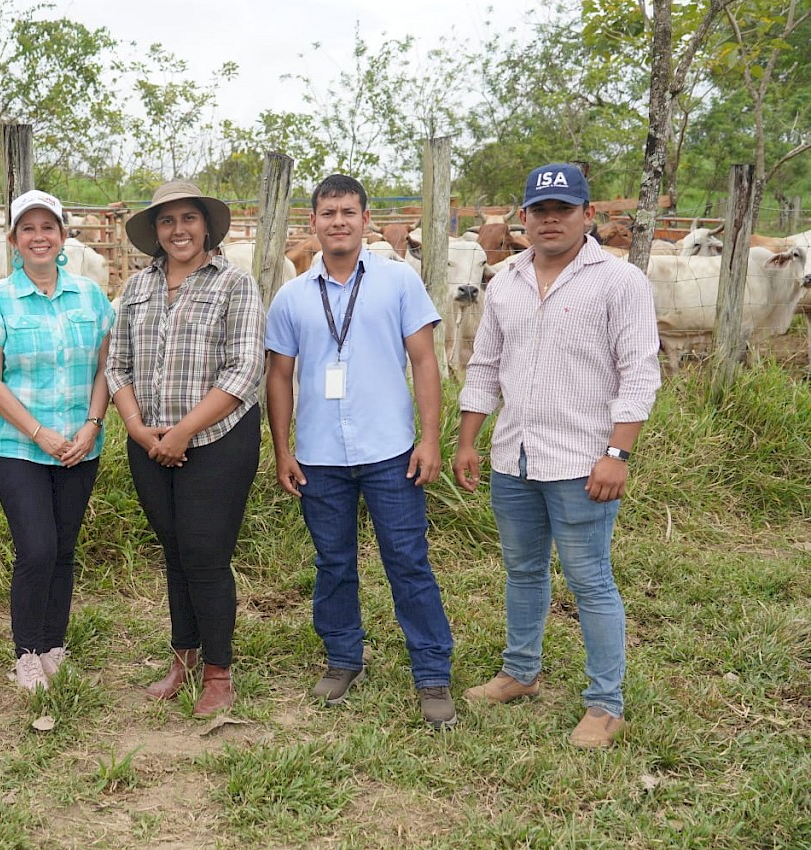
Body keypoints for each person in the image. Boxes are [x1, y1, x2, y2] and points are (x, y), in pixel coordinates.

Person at [453, 162, 660, 749]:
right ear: (524, 218)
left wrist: (618, 452)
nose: (550, 220)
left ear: (587, 216)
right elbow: (486, 363)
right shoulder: (508, 279)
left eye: (563, 210)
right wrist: (469, 439)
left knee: (590, 579)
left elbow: (639, 373)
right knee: (522, 570)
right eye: (540, 211)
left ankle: (605, 703)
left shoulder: (620, 282)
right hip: (513, 455)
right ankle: (521, 672)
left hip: (582, 461)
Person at [265, 173, 457, 729]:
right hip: (320, 453)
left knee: (408, 559)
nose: (339, 222)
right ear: (314, 224)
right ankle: (345, 657)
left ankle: (431, 671)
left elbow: (424, 361)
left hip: (390, 450)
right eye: (328, 213)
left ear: (366, 220)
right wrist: (283, 450)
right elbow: (280, 376)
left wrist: (429, 439)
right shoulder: (293, 296)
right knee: (333, 563)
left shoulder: (398, 281)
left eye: (349, 211)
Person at [106, 181, 264, 717]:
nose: (179, 230)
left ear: (206, 226)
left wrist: (181, 433)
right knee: (174, 550)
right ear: (156, 232)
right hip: (147, 441)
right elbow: (117, 364)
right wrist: (137, 426)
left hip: (218, 439)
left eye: (188, 219)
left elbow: (244, 369)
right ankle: (184, 656)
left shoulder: (234, 284)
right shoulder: (136, 288)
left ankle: (219, 671)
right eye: (167, 221)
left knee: (205, 552)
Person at [0, 190, 114, 691]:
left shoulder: (90, 296)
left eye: (47, 228)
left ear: (63, 237)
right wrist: (40, 433)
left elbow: (105, 367)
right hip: (17, 445)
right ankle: (27, 652)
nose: (39, 237)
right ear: (13, 240)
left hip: (80, 442)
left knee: (65, 548)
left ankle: (55, 645)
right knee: (37, 547)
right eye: (27, 229)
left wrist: (92, 424)